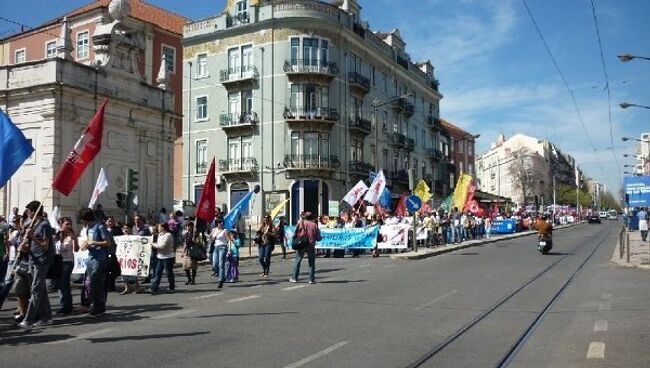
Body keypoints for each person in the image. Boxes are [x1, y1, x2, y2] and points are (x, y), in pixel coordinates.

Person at [18, 201, 55, 331]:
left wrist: (32, 236)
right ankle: (47, 317)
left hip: (42, 261)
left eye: (28, 211)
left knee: (36, 291)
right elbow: (33, 245)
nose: (27, 213)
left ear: (34, 211)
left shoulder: (44, 225)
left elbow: (45, 245)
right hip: (33, 260)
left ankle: (28, 320)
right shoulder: (34, 224)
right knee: (41, 290)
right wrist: (24, 246)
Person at [78, 207, 111, 316]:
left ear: (86, 218)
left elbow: (108, 243)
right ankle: (95, 304)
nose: (82, 221)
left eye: (82, 219)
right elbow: (90, 242)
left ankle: (99, 306)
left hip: (99, 259)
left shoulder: (100, 227)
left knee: (97, 284)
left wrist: (94, 242)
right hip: (91, 258)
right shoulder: (88, 229)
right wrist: (86, 244)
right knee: (91, 284)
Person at [54, 217, 78, 315]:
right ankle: (66, 305)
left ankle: (65, 306)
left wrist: (75, 240)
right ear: (61, 225)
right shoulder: (57, 235)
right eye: (66, 224)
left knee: (63, 283)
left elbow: (76, 249)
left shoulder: (71, 236)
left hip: (68, 262)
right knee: (62, 285)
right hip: (58, 262)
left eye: (70, 224)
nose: (69, 226)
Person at [290, 212, 321, 284]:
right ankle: (311, 279)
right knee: (311, 262)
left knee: (297, 261)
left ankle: (294, 278)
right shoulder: (314, 225)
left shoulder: (300, 223)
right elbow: (318, 237)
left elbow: (295, 233)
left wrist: (295, 239)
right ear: (311, 217)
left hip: (302, 244)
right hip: (311, 245)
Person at [149, 223, 175, 295]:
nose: (158, 228)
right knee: (157, 273)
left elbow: (162, 246)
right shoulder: (159, 235)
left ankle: (171, 287)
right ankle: (154, 288)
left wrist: (153, 244)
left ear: (163, 228)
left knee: (168, 273)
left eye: (159, 227)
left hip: (168, 257)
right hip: (160, 257)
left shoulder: (168, 235)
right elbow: (156, 242)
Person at [209, 219, 228, 288]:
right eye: (220, 222)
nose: (221, 223)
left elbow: (227, 239)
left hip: (223, 247)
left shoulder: (224, 230)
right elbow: (212, 240)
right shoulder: (214, 230)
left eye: (222, 222)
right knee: (215, 263)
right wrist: (211, 236)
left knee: (221, 264)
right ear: (217, 223)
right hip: (216, 248)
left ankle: (220, 281)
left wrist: (229, 249)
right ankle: (222, 276)